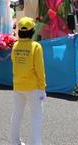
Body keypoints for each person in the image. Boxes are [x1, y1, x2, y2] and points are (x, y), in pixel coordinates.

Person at [10, 17, 46, 145]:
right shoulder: (36, 46)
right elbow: (39, 69)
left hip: (18, 85)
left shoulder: (15, 45)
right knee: (37, 116)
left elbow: (15, 64)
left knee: (17, 114)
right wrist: (43, 87)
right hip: (33, 87)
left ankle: (14, 141)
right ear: (32, 31)